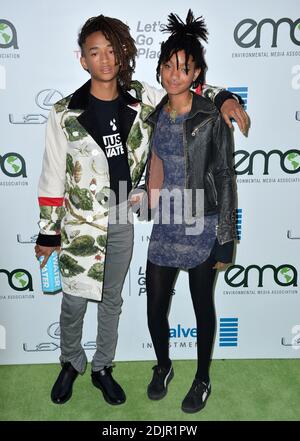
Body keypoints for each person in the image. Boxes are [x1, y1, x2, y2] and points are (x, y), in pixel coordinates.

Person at [34, 13, 247, 407]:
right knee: (74, 299)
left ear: (122, 55)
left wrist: (224, 97)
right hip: (80, 220)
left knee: (112, 298)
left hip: (121, 211)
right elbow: (51, 175)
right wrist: (49, 231)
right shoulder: (64, 112)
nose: (104, 59)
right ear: (83, 59)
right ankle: (70, 362)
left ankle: (102, 367)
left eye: (111, 51)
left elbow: (185, 87)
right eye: (95, 52)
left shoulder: (141, 97)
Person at [144, 10, 238, 413]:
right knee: (154, 307)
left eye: (183, 68)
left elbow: (226, 175)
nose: (173, 74)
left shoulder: (210, 115)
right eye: (167, 66)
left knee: (203, 307)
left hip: (203, 224)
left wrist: (226, 242)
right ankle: (163, 365)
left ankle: (202, 379)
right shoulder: (152, 109)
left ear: (197, 71)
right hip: (165, 224)